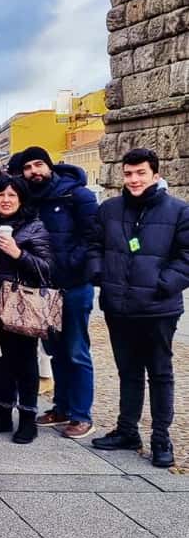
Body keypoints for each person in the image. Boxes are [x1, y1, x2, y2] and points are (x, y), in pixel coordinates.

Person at [87, 148, 189, 468]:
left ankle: (161, 437)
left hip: (159, 308)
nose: (134, 179)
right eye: (129, 173)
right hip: (119, 306)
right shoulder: (109, 209)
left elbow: (187, 257)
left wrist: (164, 284)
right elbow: (94, 246)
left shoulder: (179, 211)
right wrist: (100, 274)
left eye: (141, 173)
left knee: (160, 374)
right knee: (128, 372)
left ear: (155, 174)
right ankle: (127, 430)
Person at [18, 146, 99, 440]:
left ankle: (81, 415)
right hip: (45, 288)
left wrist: (69, 264)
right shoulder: (28, 198)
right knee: (55, 352)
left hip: (74, 285)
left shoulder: (77, 195)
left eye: (38, 164)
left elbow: (93, 236)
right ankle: (61, 407)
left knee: (76, 351)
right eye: (28, 168)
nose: (34, 171)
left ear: (49, 166)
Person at [0, 174, 54, 445]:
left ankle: (28, 418)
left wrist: (18, 253)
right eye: (0, 195)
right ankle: (2, 414)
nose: (6, 200)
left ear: (21, 199)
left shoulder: (34, 227)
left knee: (25, 362)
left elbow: (47, 269)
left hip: (21, 304)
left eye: (12, 195)